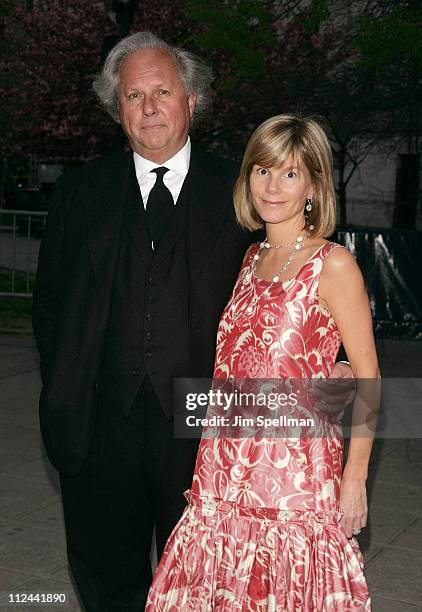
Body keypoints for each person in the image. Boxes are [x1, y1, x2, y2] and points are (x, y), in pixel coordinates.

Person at [32, 31, 351, 610]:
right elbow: (50, 305)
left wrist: (331, 374)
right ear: (117, 108)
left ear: (192, 101)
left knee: (201, 588)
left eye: (163, 91)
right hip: (98, 428)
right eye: (133, 96)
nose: (149, 107)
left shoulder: (244, 192)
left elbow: (296, 289)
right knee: (105, 578)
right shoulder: (79, 194)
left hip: (206, 434)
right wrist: (67, 383)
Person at [147, 115, 379, 610]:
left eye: (290, 173)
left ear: (314, 185)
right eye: (262, 170)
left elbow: (369, 378)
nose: (272, 185)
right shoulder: (250, 257)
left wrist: (355, 480)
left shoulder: (333, 264)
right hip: (222, 471)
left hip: (292, 479)